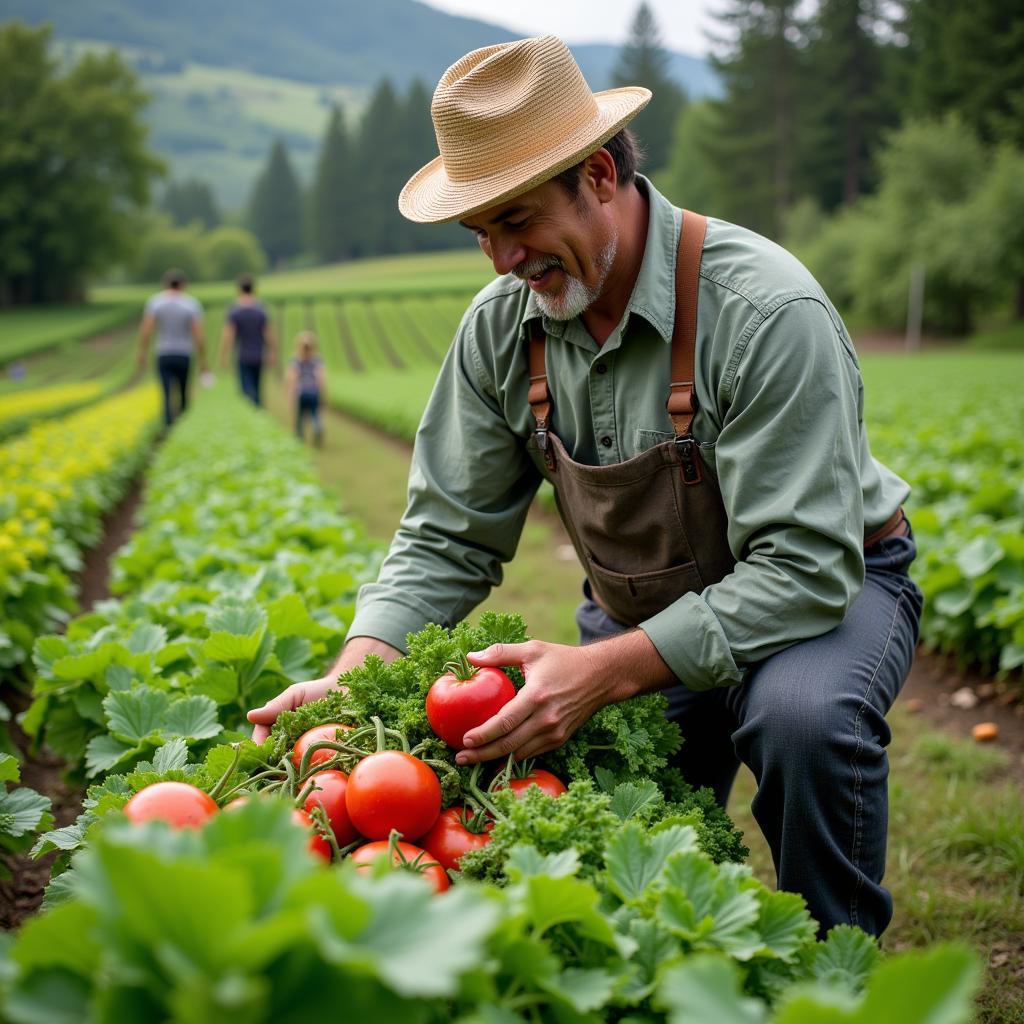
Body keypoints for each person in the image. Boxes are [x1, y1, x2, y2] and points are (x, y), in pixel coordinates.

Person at [248, 36, 922, 939]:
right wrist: (349, 681)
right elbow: (445, 538)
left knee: (802, 722)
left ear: (600, 175)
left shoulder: (764, 312)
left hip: (826, 588)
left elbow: (804, 566)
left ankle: (839, 967)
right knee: (603, 803)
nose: (499, 258)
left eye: (517, 220)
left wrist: (604, 671)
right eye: (479, 232)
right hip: (642, 601)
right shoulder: (499, 332)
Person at [137, 268, 207, 426]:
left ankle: (168, 425)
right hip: (184, 353)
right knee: (183, 392)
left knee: (166, 393)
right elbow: (198, 334)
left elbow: (147, 330)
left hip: (164, 352)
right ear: (183, 284)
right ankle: (183, 424)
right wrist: (203, 359)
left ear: (165, 284)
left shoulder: (155, 303)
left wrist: (142, 352)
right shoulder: (191, 304)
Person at [220, 274, 275, 406]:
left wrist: (224, 355)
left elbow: (228, 335)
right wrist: (272, 351)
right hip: (258, 354)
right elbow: (268, 333)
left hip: (242, 354)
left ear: (239, 289)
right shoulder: (261, 309)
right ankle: (257, 413)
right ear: (253, 289)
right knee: (257, 389)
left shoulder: (234, 310)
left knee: (245, 390)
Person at [286, 330, 326, 445]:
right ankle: (317, 428)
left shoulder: (295, 361)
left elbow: (292, 379)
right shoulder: (317, 360)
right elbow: (321, 378)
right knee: (315, 414)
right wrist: (322, 393)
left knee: (300, 416)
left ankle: (300, 436)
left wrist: (290, 394)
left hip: (301, 391)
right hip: (314, 391)